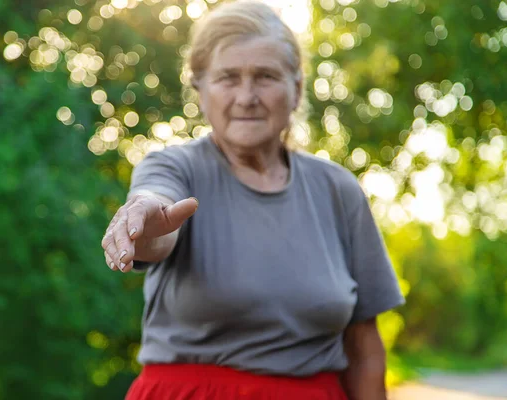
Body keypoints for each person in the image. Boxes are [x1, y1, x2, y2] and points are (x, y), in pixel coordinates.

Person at [101, 1, 405, 399]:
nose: (246, 96)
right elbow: (157, 219)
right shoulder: (175, 166)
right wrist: (144, 221)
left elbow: (364, 347)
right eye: (228, 77)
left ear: (296, 89)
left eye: (265, 77)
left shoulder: (338, 190)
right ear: (200, 88)